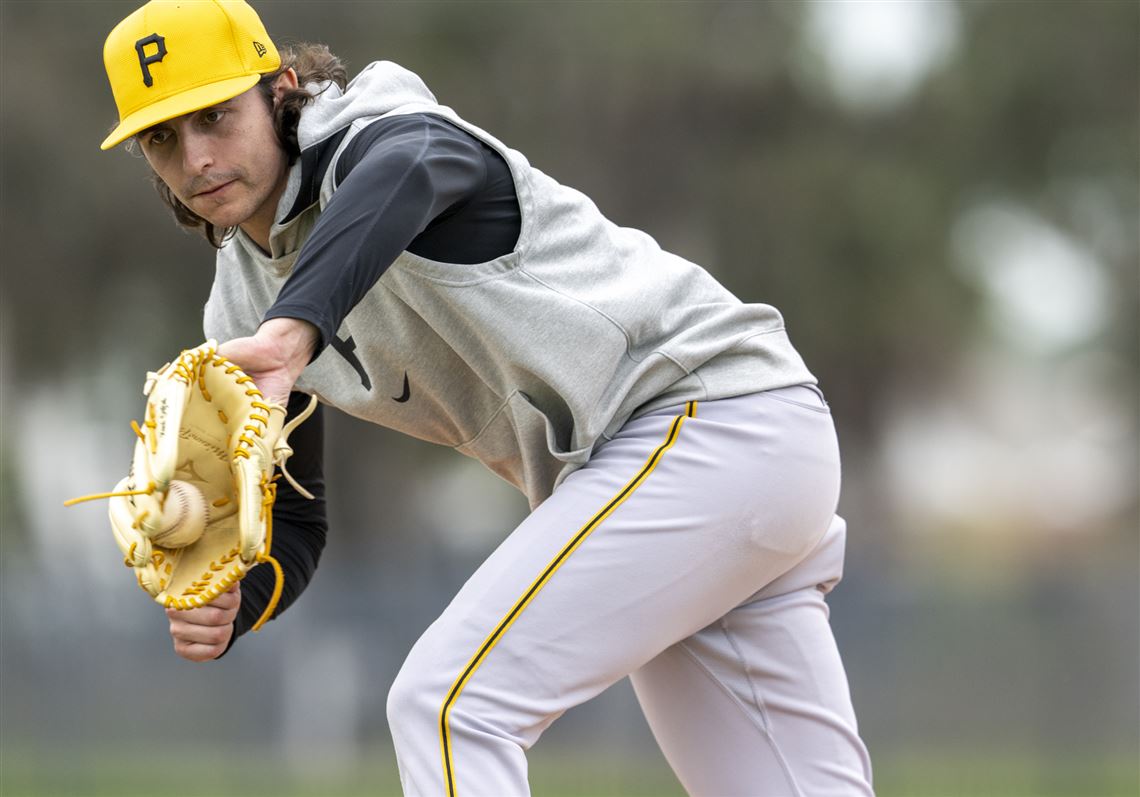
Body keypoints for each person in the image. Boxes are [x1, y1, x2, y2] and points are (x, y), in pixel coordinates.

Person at [99, 1, 874, 794]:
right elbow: (298, 520)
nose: (196, 156)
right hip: (703, 482)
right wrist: (234, 597)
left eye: (216, 116)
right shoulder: (240, 311)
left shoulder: (373, 133)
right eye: (163, 137)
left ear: (281, 89)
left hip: (710, 420)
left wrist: (294, 331)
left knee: (448, 706)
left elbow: (416, 162)